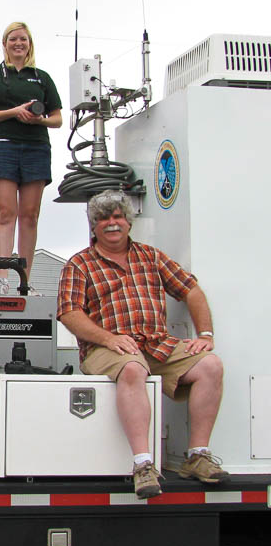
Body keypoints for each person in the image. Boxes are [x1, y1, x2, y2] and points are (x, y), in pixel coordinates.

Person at [57, 190, 227, 499]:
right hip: (106, 349)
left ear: (128, 222)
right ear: (93, 226)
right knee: (134, 369)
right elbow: (69, 313)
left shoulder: (151, 256)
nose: (112, 223)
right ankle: (143, 465)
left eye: (118, 216)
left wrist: (206, 335)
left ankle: (197, 456)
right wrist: (108, 338)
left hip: (157, 343)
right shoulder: (79, 264)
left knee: (211, 365)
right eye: (103, 218)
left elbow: (191, 290)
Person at [0, 21, 62, 295]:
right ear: (5, 44)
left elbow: (58, 119)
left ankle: (25, 280)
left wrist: (38, 119)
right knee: (6, 212)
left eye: (23, 39)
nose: (18, 44)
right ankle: (2, 277)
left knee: (30, 215)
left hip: (35, 147)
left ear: (29, 44)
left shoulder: (43, 78)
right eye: (13, 39)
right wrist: (14, 112)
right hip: (2, 145)